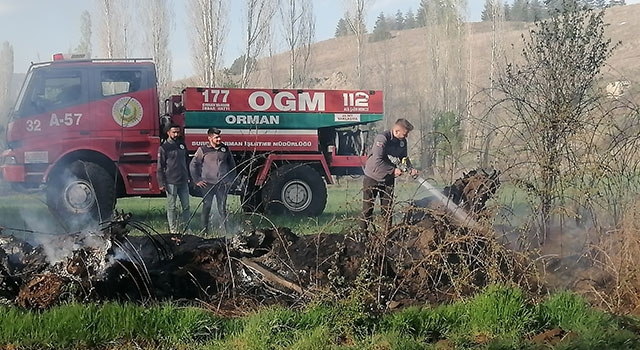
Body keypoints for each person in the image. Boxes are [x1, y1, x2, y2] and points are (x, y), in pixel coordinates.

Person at [360, 118, 418, 234]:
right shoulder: (382, 139)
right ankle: (362, 234)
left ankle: (386, 235)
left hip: (388, 179)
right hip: (373, 177)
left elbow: (403, 159)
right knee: (368, 209)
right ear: (396, 131)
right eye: (405, 134)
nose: (406, 137)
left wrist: (410, 169)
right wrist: (393, 170)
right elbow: (378, 161)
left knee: (387, 210)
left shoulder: (402, 142)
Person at [190, 128, 237, 234]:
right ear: (209, 138)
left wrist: (231, 180)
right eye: (216, 137)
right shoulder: (202, 150)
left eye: (220, 137)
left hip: (222, 183)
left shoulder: (225, 149)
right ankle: (204, 231)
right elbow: (193, 165)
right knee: (206, 207)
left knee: (222, 208)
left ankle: (226, 231)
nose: (219, 139)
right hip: (207, 184)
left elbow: (232, 165)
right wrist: (197, 180)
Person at [157, 123, 191, 234]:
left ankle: (187, 227)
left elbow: (187, 162)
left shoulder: (182, 145)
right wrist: (161, 183)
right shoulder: (164, 147)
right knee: (172, 207)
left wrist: (189, 176)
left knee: (186, 206)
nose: (176, 134)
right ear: (168, 133)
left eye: (178, 132)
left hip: (183, 180)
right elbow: (160, 166)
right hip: (171, 181)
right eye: (174, 132)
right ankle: (173, 229)